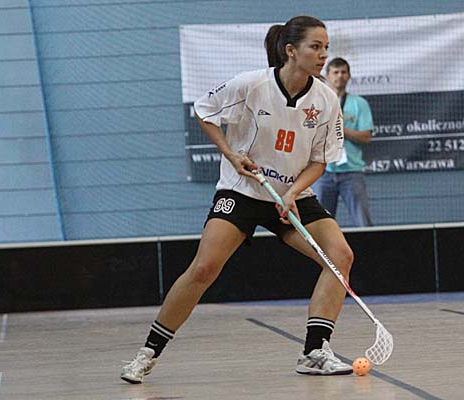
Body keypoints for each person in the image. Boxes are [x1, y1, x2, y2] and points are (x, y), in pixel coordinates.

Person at [120, 16, 355, 383]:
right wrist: (230, 154)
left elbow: (320, 161)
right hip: (242, 191)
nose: (323, 54)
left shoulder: (326, 99)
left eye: (326, 47)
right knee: (204, 269)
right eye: (315, 46)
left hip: (290, 194)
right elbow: (204, 110)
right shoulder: (252, 84)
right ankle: (148, 352)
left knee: (340, 256)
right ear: (291, 51)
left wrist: (293, 192)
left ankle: (314, 351)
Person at [312, 57, 374, 227]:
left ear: (349, 76)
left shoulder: (359, 103)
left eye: (343, 72)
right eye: (336, 72)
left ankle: (369, 245)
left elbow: (366, 136)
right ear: (327, 75)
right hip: (322, 171)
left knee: (362, 221)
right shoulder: (317, 102)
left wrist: (340, 129)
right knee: (319, 223)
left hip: (351, 172)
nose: (340, 76)